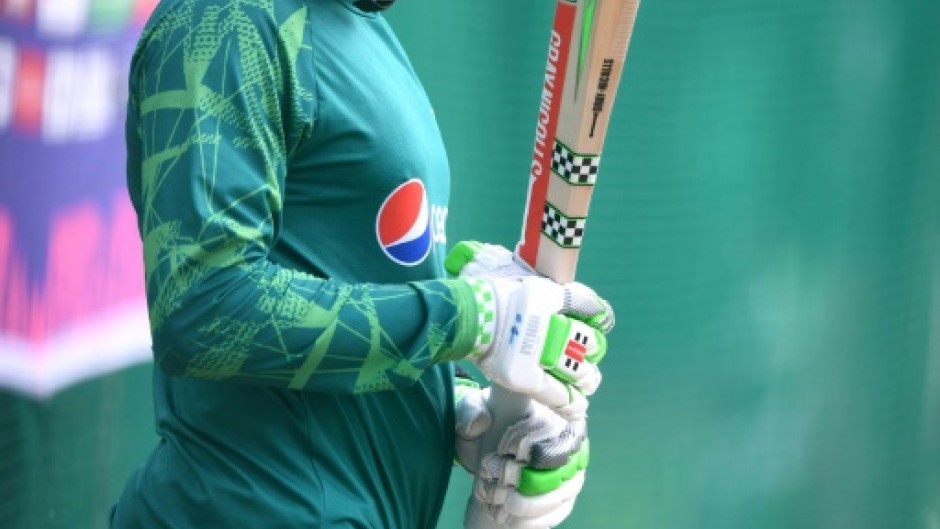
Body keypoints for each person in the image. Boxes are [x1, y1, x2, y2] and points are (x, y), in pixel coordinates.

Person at [111, 1, 615, 528]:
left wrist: (462, 413)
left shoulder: (362, 30)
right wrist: (474, 319)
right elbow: (204, 309)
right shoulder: (231, 19)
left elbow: (339, 279)